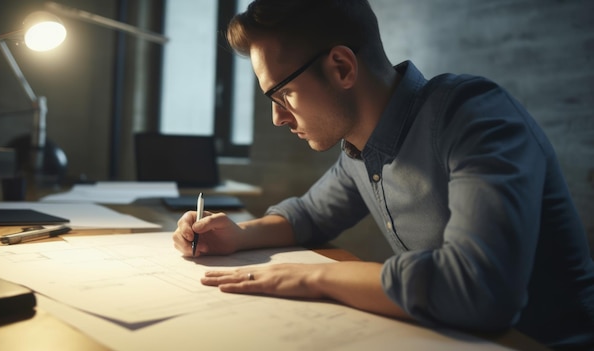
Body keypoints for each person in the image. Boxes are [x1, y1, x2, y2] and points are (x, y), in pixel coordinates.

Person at [172, 0, 594, 349]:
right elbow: (308, 215)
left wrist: (316, 275)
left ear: (341, 67)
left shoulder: (476, 118)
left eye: (282, 93)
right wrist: (240, 235)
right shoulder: (359, 150)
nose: (277, 117)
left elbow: (478, 290)